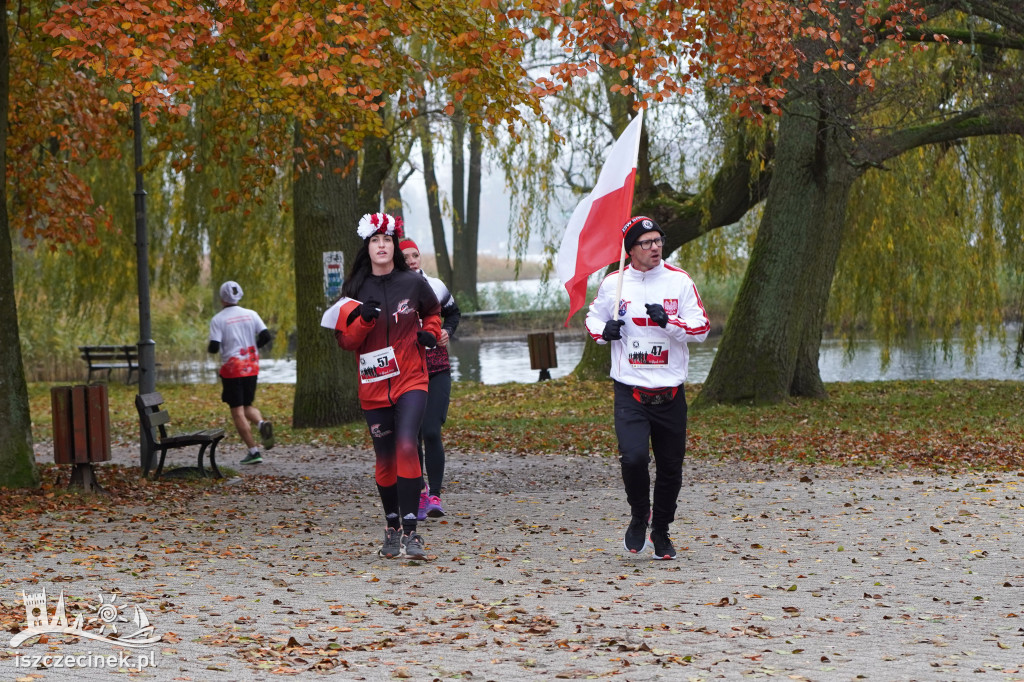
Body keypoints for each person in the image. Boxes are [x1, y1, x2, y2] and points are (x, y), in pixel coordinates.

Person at [585, 216, 710, 560]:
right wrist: (603, 331)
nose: (655, 247)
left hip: (670, 393)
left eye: (659, 240)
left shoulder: (679, 281)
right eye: (647, 242)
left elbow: (701, 329)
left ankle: (662, 530)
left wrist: (669, 323)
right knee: (635, 458)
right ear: (631, 250)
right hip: (631, 391)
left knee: (671, 468)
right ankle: (640, 514)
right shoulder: (615, 283)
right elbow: (592, 317)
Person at [333, 213, 442, 560]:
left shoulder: (412, 282)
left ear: (395, 246)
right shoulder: (353, 290)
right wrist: (364, 320)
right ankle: (392, 527)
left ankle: (412, 532)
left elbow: (434, 312)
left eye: (388, 240)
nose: (382, 245)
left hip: (411, 378)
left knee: (408, 445)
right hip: (373, 385)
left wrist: (431, 334)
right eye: (375, 240)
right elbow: (346, 342)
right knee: (385, 457)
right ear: (367, 247)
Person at [399, 239, 461, 520]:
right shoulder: (393, 288)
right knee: (413, 436)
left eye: (415, 255)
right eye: (406, 257)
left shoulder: (435, 285)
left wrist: (447, 330)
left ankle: (435, 494)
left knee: (432, 431)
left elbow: (453, 312)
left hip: (437, 366)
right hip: (406, 369)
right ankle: (420, 491)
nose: (412, 261)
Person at [208, 280, 275, 465]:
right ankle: (261, 424)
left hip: (232, 368)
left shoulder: (218, 319)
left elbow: (214, 347)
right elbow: (266, 336)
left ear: (222, 298)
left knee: (237, 411)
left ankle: (253, 452)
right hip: (251, 366)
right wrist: (253, 347)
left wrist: (212, 348)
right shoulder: (251, 314)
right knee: (247, 405)